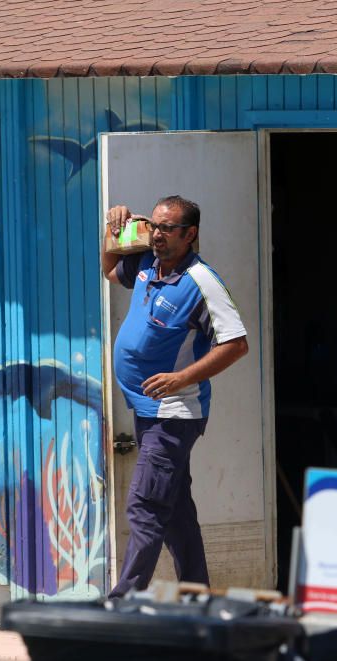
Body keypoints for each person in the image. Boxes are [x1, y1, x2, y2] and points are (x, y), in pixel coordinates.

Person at [102, 195, 249, 597]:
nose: (158, 235)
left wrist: (181, 376)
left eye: (168, 229)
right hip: (147, 409)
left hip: (174, 412)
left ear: (191, 234)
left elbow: (236, 344)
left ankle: (122, 604)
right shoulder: (150, 264)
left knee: (146, 508)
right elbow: (111, 270)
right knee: (177, 513)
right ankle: (198, 598)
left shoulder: (202, 282)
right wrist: (112, 232)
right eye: (155, 226)